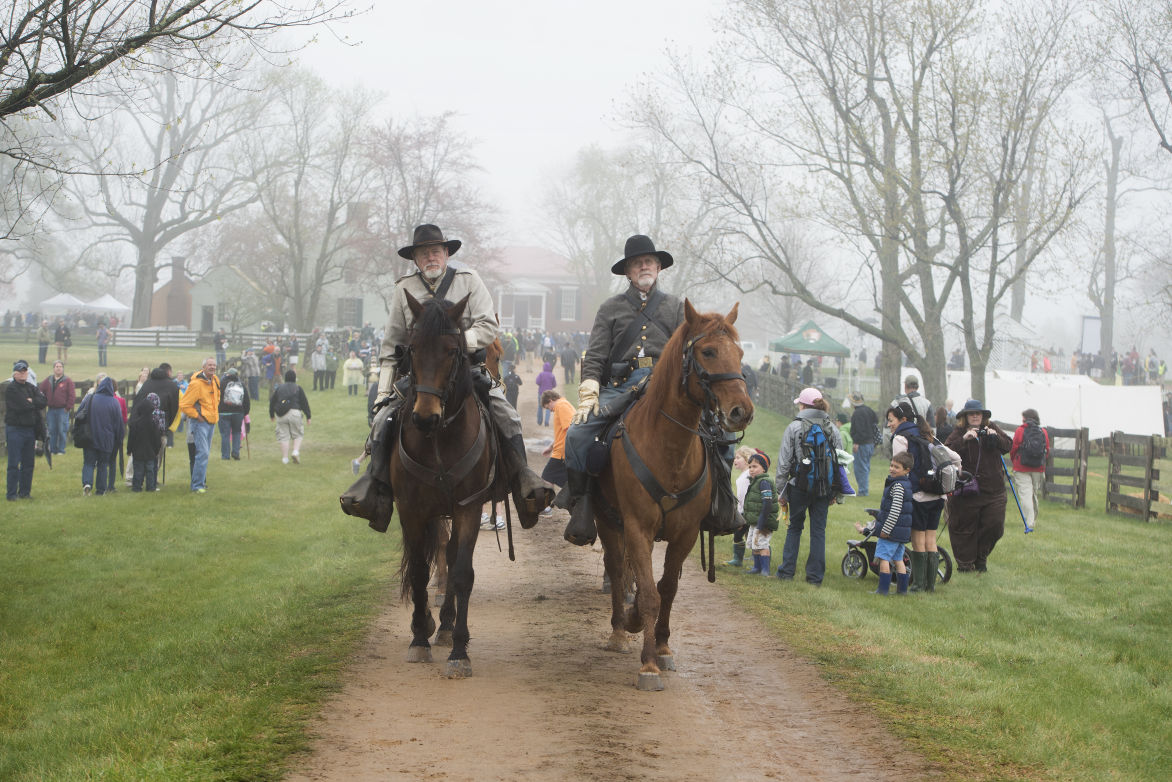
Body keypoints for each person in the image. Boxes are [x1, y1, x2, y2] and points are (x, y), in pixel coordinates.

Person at [369, 224, 553, 528]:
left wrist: (456, 342)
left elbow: (488, 326)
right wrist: (383, 393)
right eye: (423, 253)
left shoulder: (469, 280)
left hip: (467, 369)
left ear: (446, 253)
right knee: (381, 421)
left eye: (435, 251)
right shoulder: (403, 288)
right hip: (420, 375)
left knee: (508, 416)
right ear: (415, 259)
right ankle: (374, 489)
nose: (430, 257)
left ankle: (523, 481)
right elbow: (392, 344)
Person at [557, 234, 686, 545]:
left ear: (658, 267)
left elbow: (687, 352)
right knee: (576, 434)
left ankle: (719, 504)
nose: (644, 266)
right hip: (619, 388)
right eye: (637, 263)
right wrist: (589, 394)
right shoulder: (610, 308)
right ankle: (582, 502)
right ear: (628, 271)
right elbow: (595, 355)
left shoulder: (676, 307)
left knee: (714, 433)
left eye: (649, 261)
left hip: (664, 387)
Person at [888, 401, 960, 593]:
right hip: (938, 496)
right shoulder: (928, 434)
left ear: (902, 419)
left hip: (918, 496)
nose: (889, 424)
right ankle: (930, 585)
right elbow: (955, 458)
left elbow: (899, 468)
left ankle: (918, 585)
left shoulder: (900, 438)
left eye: (891, 420)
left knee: (918, 540)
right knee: (931, 539)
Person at [774, 387, 843, 584]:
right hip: (824, 487)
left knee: (795, 527)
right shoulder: (832, 428)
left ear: (803, 406)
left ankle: (786, 572)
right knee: (818, 531)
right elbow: (840, 462)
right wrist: (836, 492)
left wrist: (781, 490)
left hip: (799, 485)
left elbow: (784, 462)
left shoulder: (794, 427)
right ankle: (815, 577)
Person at [944, 399, 1012, 573]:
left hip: (993, 490)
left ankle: (981, 557)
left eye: (978, 413)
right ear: (965, 417)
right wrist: (964, 440)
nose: (975, 416)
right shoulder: (959, 432)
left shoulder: (992, 427)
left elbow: (1008, 445)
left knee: (995, 526)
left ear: (983, 416)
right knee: (963, 528)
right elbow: (945, 452)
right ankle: (965, 564)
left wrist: (995, 438)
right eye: (971, 414)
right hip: (966, 490)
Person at [855, 451, 914, 595]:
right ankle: (902, 591)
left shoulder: (897, 486)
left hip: (890, 532)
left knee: (883, 559)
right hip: (901, 532)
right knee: (898, 560)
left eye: (897, 467)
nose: (892, 469)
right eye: (891, 465)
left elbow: (895, 511)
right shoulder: (906, 484)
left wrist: (886, 530)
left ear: (906, 470)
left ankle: (882, 590)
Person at [5, 360, 47, 500]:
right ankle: (11, 494)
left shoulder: (31, 387)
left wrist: (31, 401)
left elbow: (43, 401)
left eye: (25, 371)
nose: (23, 374)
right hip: (15, 429)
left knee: (28, 463)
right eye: (20, 372)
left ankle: (25, 492)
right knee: (13, 463)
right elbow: (22, 406)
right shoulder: (11, 389)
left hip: (29, 430)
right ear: (15, 374)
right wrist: (31, 403)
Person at [178, 357, 220, 493]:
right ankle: (197, 486)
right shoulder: (196, 384)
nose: (212, 367)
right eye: (209, 365)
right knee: (202, 453)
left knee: (204, 454)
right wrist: (197, 416)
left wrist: (213, 414)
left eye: (214, 365)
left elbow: (216, 398)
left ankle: (200, 483)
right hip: (200, 423)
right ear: (203, 367)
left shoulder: (215, 380)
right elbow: (184, 405)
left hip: (211, 422)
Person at [82, 376, 124, 496]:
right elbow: (119, 423)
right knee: (103, 464)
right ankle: (101, 490)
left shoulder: (90, 398)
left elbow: (80, 414)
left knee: (89, 462)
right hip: (107, 439)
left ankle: (87, 483)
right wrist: (119, 438)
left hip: (90, 437)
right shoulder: (114, 402)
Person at [1009, 408, 1050, 531]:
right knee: (1033, 493)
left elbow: (1014, 448)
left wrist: (1014, 461)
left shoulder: (1020, 430)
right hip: (1038, 468)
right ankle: (1033, 519)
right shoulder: (1043, 431)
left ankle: (1030, 522)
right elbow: (1047, 450)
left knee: (1025, 494)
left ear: (1025, 419)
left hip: (1021, 467)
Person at [743, 451, 780, 577]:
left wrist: (761, 522)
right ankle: (756, 567)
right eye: (750, 467)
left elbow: (768, 503)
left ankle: (765, 570)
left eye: (755, 466)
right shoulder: (755, 481)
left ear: (764, 468)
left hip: (764, 521)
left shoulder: (764, 482)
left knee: (762, 544)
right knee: (754, 543)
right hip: (755, 520)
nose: (751, 469)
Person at [725, 446, 756, 567]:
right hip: (745, 510)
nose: (734, 460)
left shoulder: (747, 475)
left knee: (740, 534)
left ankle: (738, 560)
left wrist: (740, 512)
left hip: (746, 511)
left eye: (738, 458)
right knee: (749, 534)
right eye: (734, 458)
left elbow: (744, 496)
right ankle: (752, 557)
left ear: (747, 459)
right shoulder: (744, 475)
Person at [271, 369, 311, 464]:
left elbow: (273, 401)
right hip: (294, 412)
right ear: (294, 378)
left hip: (281, 414)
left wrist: (271, 414)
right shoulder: (298, 388)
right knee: (298, 434)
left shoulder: (279, 388)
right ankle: (295, 452)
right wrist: (308, 416)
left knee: (283, 436)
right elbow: (304, 403)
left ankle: (285, 459)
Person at [128, 392, 165, 492]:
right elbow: (157, 439)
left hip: (137, 452)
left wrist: (129, 450)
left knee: (138, 470)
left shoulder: (135, 424)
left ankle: (137, 487)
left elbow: (131, 438)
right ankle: (150, 487)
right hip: (151, 452)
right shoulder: (153, 424)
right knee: (150, 471)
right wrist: (156, 450)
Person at [539, 389, 576, 491]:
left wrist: (567, 452)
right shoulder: (563, 404)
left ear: (550, 400)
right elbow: (562, 433)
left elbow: (570, 429)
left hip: (561, 453)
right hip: (562, 451)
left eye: (548, 407)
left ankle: (548, 503)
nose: (550, 410)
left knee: (547, 477)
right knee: (566, 481)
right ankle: (576, 496)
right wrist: (551, 447)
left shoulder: (561, 406)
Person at [38, 360, 75, 456]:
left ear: (63, 368)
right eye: (56, 366)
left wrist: (68, 408)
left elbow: (72, 395)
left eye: (60, 366)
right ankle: (53, 450)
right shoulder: (48, 380)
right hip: (51, 410)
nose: (58, 368)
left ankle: (61, 450)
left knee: (62, 430)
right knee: (52, 430)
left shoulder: (67, 381)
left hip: (62, 410)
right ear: (53, 368)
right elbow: (40, 390)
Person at [849, 393, 879, 496]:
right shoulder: (869, 410)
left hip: (861, 444)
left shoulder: (857, 413)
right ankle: (864, 489)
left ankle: (863, 491)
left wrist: (856, 442)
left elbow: (859, 429)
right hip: (870, 443)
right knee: (866, 466)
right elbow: (876, 421)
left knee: (860, 468)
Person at [217, 366, 250, 460]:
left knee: (225, 434)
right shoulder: (241, 384)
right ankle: (236, 452)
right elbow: (246, 400)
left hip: (223, 413)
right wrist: (245, 412)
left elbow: (216, 397)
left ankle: (225, 456)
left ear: (227, 374)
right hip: (238, 413)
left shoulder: (221, 384)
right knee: (237, 432)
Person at [535, 361, 557, 426]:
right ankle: (546, 421)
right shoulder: (551, 375)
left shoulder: (541, 374)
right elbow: (554, 384)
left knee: (540, 407)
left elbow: (537, 382)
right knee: (548, 407)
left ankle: (539, 421)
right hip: (549, 394)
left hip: (541, 393)